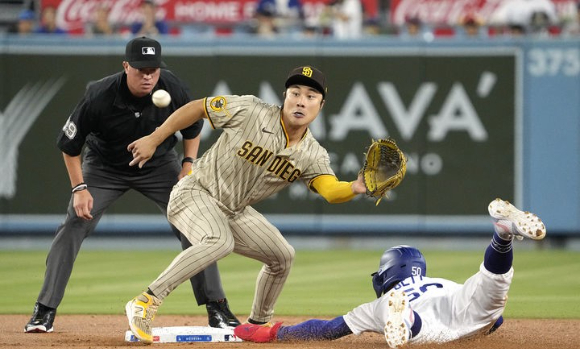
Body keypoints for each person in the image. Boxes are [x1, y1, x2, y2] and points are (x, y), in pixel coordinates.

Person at [124, 65, 369, 343]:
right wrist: (155, 138)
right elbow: (197, 108)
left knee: (282, 256)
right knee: (219, 241)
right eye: (295, 93)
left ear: (320, 105)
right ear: (285, 96)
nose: (301, 100)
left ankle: (258, 324)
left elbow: (330, 190)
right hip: (195, 192)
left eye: (311, 96)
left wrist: (355, 187)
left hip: (235, 211)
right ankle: (146, 300)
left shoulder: (313, 154)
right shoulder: (251, 110)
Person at [24, 36, 239, 334]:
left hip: (160, 165)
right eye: (140, 69)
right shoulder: (98, 95)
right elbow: (69, 146)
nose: (148, 75)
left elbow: (193, 126)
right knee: (74, 224)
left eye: (153, 69)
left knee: (197, 227)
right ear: (126, 66)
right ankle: (44, 310)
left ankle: (217, 307)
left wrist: (188, 164)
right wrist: (79, 189)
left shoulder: (172, 87)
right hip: (105, 168)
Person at [234, 198, 547, 348]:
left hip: (428, 321)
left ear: (386, 273)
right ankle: (503, 235)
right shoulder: (440, 282)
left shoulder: (378, 301)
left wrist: (275, 332)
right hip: (467, 307)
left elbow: (327, 329)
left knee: (413, 325)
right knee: (491, 284)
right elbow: (498, 320)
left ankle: (406, 321)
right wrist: (485, 323)